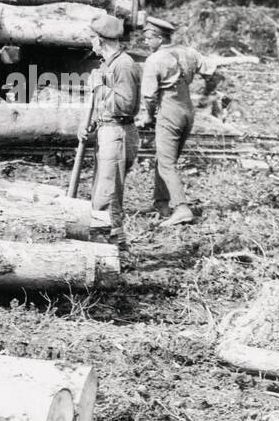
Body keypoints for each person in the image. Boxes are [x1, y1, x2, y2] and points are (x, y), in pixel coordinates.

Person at [136, 16, 220, 225]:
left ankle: (182, 208)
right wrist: (208, 94)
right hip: (187, 110)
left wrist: (148, 115)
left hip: (169, 110)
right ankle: (161, 202)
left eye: (148, 38)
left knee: (166, 162)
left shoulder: (154, 60)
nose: (145, 42)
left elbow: (148, 95)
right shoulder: (189, 52)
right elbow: (213, 73)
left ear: (160, 39)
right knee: (165, 157)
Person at [82, 13, 141, 248]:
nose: (90, 43)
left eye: (92, 38)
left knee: (107, 196)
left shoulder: (124, 65)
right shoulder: (108, 64)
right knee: (101, 193)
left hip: (118, 134)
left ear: (101, 40)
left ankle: (113, 250)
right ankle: (109, 247)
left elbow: (125, 105)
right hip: (108, 131)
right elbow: (106, 106)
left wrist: (99, 88)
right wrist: (92, 124)